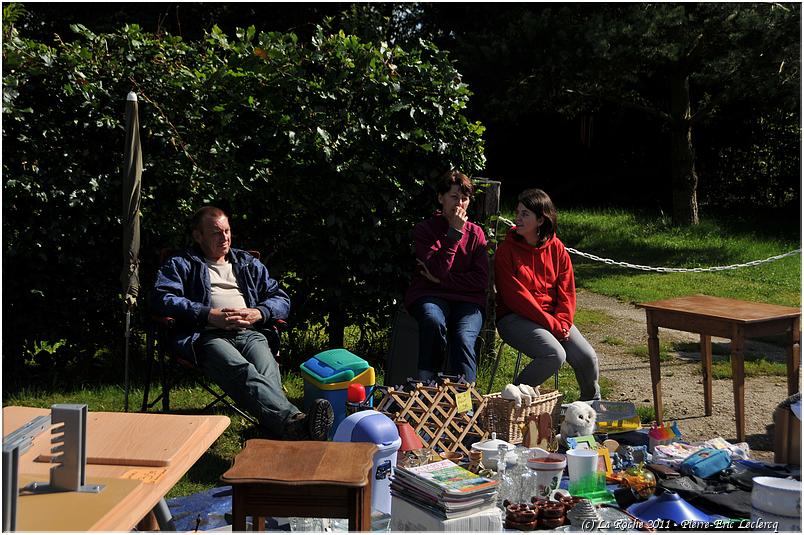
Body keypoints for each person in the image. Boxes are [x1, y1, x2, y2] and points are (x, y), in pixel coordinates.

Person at [151, 206, 334, 440]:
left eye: (227, 231)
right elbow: (161, 298)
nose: (224, 238)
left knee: (267, 370)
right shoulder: (181, 263)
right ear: (198, 236)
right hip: (207, 336)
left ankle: (280, 427)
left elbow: (280, 297)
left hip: (250, 333)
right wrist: (207, 314)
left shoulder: (246, 262)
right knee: (242, 369)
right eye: (216, 233)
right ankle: (294, 422)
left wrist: (260, 312)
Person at [494, 188, 600, 401]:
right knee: (554, 354)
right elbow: (517, 298)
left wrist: (562, 321)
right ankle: (508, 400)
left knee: (587, 357)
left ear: (541, 220)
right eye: (518, 212)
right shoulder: (506, 251)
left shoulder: (557, 248)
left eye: (525, 214)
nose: (518, 219)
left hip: (555, 319)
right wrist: (553, 325)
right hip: (515, 318)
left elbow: (567, 292)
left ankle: (591, 407)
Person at [404, 170, 489, 382]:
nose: (459, 204)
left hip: (468, 301)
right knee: (433, 320)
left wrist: (443, 281)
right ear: (440, 198)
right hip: (430, 295)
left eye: (464, 199)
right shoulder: (425, 230)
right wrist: (454, 234)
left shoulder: (477, 233)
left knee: (463, 337)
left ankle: (465, 402)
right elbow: (437, 269)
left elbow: (480, 280)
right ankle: (427, 385)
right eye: (454, 197)